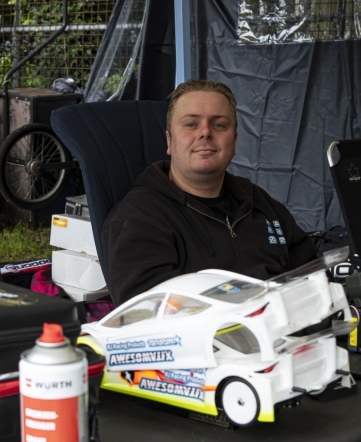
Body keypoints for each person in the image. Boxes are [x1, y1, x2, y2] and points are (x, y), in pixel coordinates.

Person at [101, 79, 317, 304]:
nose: (205, 132)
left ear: (234, 142)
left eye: (219, 125)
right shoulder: (137, 219)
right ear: (169, 141)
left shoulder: (257, 201)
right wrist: (265, 284)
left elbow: (312, 272)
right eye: (191, 124)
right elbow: (154, 313)